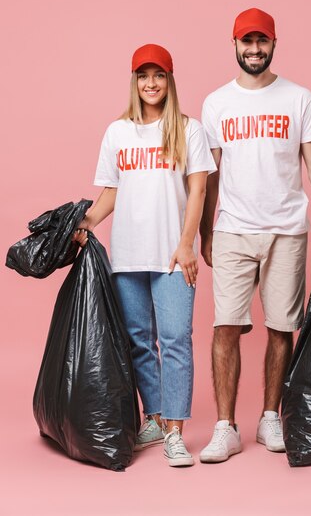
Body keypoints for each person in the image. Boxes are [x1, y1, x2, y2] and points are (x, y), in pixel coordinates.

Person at [199, 8, 311, 463]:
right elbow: (211, 174)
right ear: (235, 44)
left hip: (287, 231)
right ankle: (225, 427)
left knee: (282, 328)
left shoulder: (299, 98)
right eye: (247, 42)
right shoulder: (216, 103)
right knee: (226, 327)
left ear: (274, 43)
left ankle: (269, 417)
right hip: (233, 230)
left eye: (262, 41)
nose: (255, 49)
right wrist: (206, 231)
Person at [74, 43, 216, 467]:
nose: (151, 83)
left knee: (175, 340)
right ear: (134, 82)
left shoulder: (188, 130)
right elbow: (111, 191)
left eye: (158, 76)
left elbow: (199, 189)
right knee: (138, 341)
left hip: (173, 255)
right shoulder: (118, 132)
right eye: (143, 76)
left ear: (170, 81)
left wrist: (186, 243)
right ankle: (153, 417)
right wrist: (86, 224)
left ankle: (175, 430)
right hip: (128, 256)